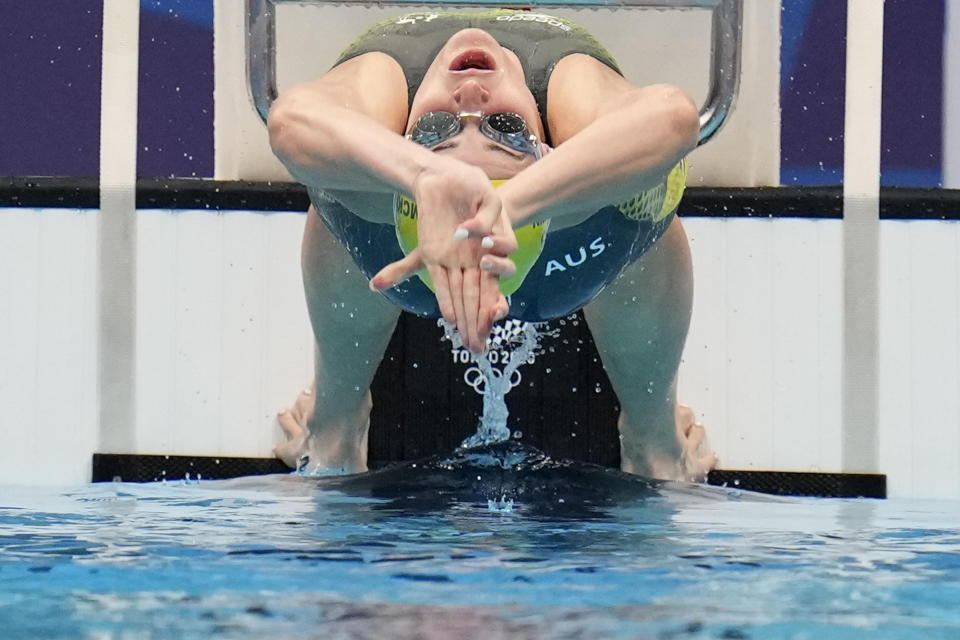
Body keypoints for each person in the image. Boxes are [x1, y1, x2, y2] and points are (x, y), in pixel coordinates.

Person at [267, 9, 717, 480]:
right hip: (540, 232)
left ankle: (652, 433)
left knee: (350, 183)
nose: (470, 93)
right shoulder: (565, 81)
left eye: (435, 127)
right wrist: (430, 179)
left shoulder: (389, 73)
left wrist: (496, 202)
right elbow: (672, 117)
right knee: (634, 197)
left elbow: (290, 120)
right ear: (545, 145)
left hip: (407, 237)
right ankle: (337, 425)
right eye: (505, 125)